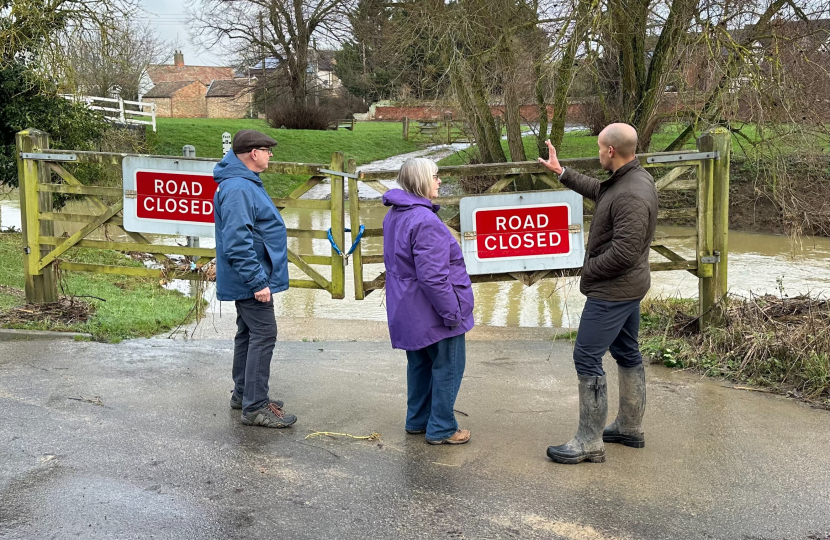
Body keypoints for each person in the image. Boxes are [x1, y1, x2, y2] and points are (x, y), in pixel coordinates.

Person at [537, 123, 657, 464]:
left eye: (599, 146)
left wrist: (587, 269)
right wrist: (562, 172)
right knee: (626, 350)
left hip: (613, 291)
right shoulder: (631, 178)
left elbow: (624, 253)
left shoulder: (630, 194)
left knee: (586, 357)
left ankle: (589, 440)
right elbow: (602, 192)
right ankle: (629, 428)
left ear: (609, 151)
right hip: (627, 286)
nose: (597, 151)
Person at [382, 158, 475, 445]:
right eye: (435, 176)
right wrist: (453, 314)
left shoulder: (395, 215)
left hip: (407, 309)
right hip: (433, 311)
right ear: (421, 180)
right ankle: (443, 428)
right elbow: (434, 278)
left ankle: (418, 420)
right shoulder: (425, 221)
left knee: (420, 365)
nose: (439, 181)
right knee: (448, 366)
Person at [213, 129, 297, 429]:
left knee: (248, 334)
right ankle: (256, 407)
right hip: (251, 279)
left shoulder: (242, 183)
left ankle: (243, 394)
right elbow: (237, 241)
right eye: (267, 150)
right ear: (253, 153)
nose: (271, 155)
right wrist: (258, 281)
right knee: (264, 334)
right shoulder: (238, 188)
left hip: (249, 277)